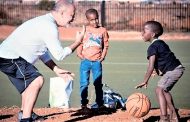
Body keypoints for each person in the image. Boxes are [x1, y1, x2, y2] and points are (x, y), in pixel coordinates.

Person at [0, 0, 85, 122]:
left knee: (28, 87)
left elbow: (42, 52)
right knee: (37, 80)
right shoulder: (49, 26)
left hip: (7, 57)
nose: (73, 18)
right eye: (72, 15)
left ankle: (25, 113)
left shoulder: (45, 21)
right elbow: (60, 55)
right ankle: (25, 119)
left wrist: (56, 69)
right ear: (62, 12)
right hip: (10, 58)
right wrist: (78, 42)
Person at [135, 21, 185, 122]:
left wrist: (145, 80)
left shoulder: (152, 47)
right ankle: (174, 115)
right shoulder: (161, 43)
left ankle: (164, 118)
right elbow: (165, 58)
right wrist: (158, 71)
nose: (142, 33)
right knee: (164, 90)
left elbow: (150, 66)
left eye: (144, 31)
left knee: (159, 90)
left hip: (173, 70)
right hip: (176, 68)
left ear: (152, 34)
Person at [77, 8, 109, 112]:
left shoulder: (103, 30)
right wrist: (79, 53)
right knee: (84, 83)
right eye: (91, 20)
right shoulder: (84, 30)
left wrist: (103, 56)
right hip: (85, 62)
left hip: (97, 63)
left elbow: (106, 45)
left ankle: (100, 104)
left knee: (98, 84)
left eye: (96, 19)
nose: (94, 21)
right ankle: (84, 105)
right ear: (87, 20)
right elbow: (80, 42)